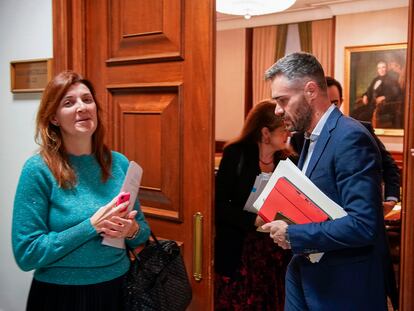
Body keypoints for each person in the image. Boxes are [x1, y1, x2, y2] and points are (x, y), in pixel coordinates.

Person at [12, 70, 151, 311]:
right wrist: (91, 226)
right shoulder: (38, 170)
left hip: (117, 290)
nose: (82, 107)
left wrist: (132, 229)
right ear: (54, 118)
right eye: (69, 102)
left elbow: (142, 233)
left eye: (87, 100)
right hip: (59, 296)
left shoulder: (118, 163)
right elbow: (27, 254)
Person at [262, 52, 389, 310]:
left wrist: (292, 234)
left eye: (283, 100)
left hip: (341, 287)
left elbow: (364, 225)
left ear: (310, 91)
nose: (277, 110)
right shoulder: (309, 138)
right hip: (307, 274)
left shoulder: (350, 137)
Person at [214, 100, 295, 310]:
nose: (288, 134)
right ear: (265, 132)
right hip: (240, 250)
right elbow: (219, 207)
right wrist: (254, 220)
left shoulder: (288, 162)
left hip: (274, 252)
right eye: (283, 129)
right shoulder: (236, 154)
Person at [353, 60, 404, 128]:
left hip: (383, 107)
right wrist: (365, 95)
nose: (381, 70)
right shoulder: (375, 79)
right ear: (377, 70)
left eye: (383, 67)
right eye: (379, 68)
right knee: (354, 113)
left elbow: (397, 93)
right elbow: (369, 90)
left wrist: (385, 97)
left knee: (361, 116)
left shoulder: (392, 80)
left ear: (386, 68)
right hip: (371, 105)